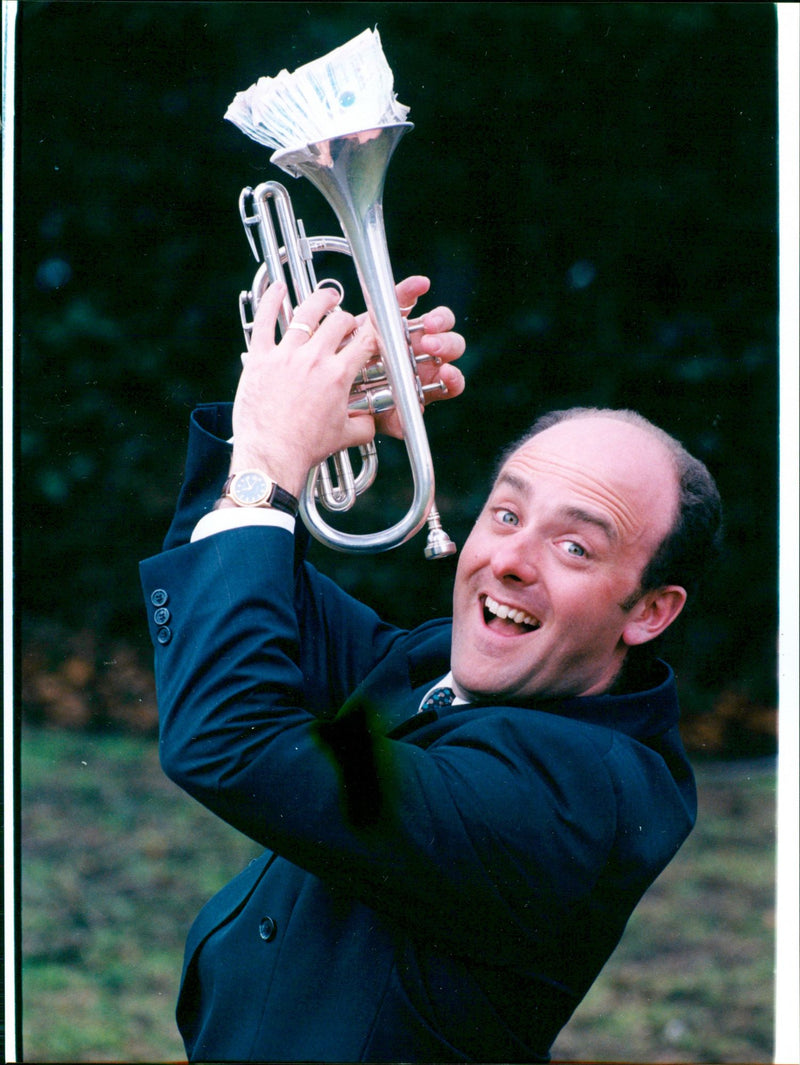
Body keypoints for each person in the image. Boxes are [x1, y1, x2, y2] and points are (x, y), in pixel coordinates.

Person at [140, 275, 721, 1063]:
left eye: (574, 545)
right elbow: (225, 575)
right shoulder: (435, 663)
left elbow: (229, 740)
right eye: (507, 513)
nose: (511, 559)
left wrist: (271, 463)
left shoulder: (573, 796)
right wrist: (280, 420)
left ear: (650, 610)